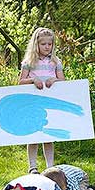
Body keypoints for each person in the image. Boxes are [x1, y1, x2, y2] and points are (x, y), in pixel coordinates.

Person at [19, 27, 65, 174]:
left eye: (49, 44)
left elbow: (63, 81)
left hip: (49, 102)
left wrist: (55, 79)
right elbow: (21, 81)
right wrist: (33, 80)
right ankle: (32, 167)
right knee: (33, 134)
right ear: (36, 45)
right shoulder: (29, 62)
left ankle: (50, 167)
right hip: (33, 104)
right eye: (43, 44)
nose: (47, 47)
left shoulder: (55, 61)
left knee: (48, 136)